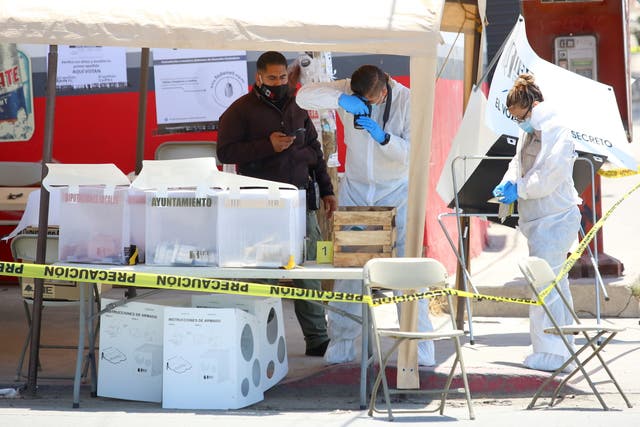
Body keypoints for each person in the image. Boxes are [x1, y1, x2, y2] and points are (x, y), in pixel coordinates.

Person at [296, 65, 435, 365]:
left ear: (385, 91)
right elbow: (304, 97)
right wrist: (341, 100)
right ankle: (343, 344)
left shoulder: (408, 100)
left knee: (407, 272)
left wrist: (384, 138)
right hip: (357, 191)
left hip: (396, 191)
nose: (368, 108)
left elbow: (416, 153)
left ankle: (419, 345)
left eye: (372, 102)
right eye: (363, 102)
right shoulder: (347, 90)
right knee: (349, 272)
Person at [217, 51, 337, 357]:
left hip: (300, 201)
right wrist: (266, 146)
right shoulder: (240, 110)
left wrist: (326, 190)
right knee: (264, 276)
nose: (279, 82)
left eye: (283, 77)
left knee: (307, 273)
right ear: (258, 77)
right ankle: (260, 339)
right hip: (260, 205)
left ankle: (317, 338)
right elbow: (225, 153)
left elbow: (315, 150)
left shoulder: (298, 106)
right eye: (272, 78)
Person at [492, 73, 582, 372]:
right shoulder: (530, 131)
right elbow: (516, 164)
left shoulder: (557, 130)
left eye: (521, 118)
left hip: (555, 218)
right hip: (538, 220)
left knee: (548, 288)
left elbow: (550, 175)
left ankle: (554, 354)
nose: (519, 124)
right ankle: (557, 349)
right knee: (549, 286)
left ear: (533, 107)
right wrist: (508, 183)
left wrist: (520, 188)